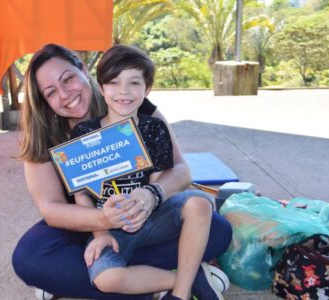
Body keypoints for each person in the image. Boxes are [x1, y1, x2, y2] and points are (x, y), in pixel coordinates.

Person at [12, 43, 233, 300]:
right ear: (44, 100)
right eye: (51, 92)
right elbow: (51, 209)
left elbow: (181, 171)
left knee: (218, 230)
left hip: (146, 214)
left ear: (84, 69)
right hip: (87, 224)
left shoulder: (132, 103)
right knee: (30, 258)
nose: (64, 94)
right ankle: (184, 278)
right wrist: (103, 222)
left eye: (68, 78)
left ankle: (78, 280)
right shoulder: (44, 133)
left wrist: (151, 195)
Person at [71, 45, 223, 300]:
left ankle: (181, 294)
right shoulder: (84, 134)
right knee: (106, 279)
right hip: (110, 226)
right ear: (100, 88)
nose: (124, 91)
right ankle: (188, 277)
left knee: (200, 203)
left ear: (147, 89)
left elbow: (159, 181)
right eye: (114, 82)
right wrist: (100, 233)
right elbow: (82, 195)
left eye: (134, 82)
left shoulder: (154, 129)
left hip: (151, 218)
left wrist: (146, 205)